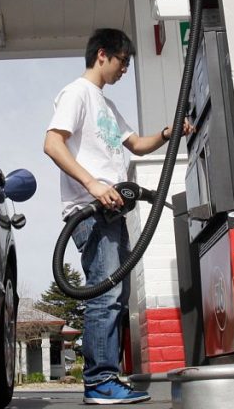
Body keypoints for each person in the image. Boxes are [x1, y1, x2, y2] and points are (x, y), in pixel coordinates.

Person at [43, 28, 192, 405]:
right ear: (103, 55)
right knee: (104, 294)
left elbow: (137, 145)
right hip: (90, 212)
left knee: (115, 294)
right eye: (124, 61)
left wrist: (165, 133)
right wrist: (93, 184)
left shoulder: (106, 106)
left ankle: (106, 378)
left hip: (113, 210)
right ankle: (98, 381)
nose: (125, 69)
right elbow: (52, 143)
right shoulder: (77, 93)